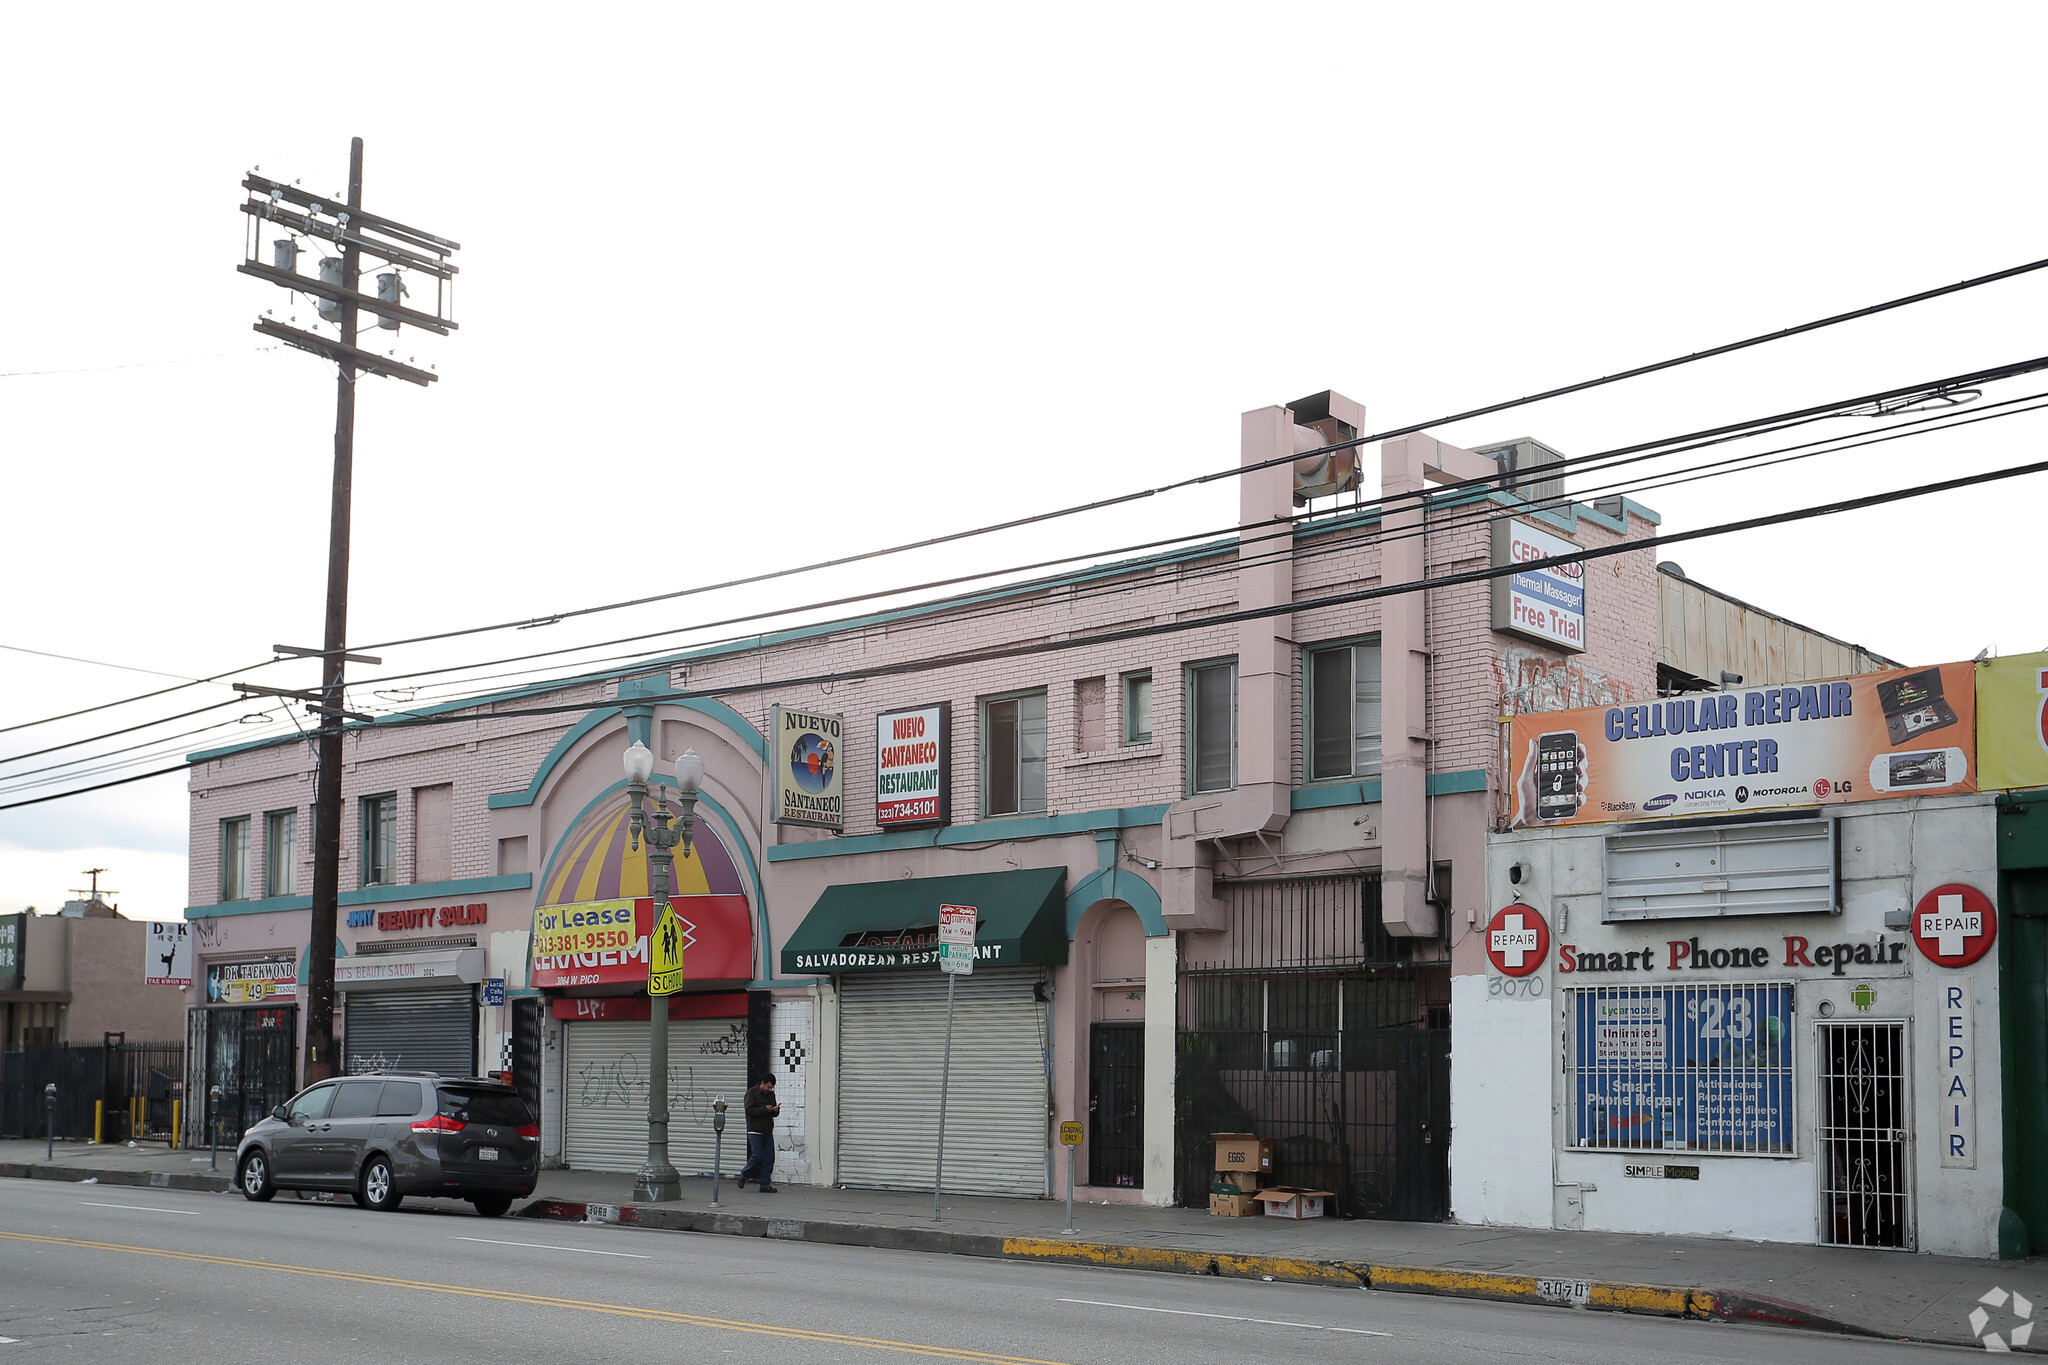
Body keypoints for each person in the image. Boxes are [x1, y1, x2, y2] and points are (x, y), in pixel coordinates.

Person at [737, 1073, 779, 1192]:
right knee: (758, 1155)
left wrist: (775, 1110)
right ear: (762, 1083)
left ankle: (765, 1185)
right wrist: (765, 1109)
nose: (769, 1090)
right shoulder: (752, 1093)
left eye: (771, 1088)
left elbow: (773, 1113)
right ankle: (744, 1174)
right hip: (755, 1130)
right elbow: (749, 1110)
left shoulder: (771, 1095)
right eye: (768, 1087)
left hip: (767, 1130)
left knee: (769, 1158)